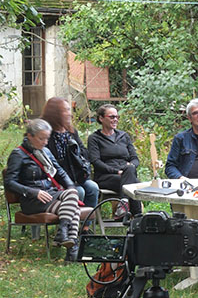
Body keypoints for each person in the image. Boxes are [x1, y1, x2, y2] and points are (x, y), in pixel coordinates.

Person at [5, 119, 83, 260]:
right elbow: (9, 182)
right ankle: (71, 248)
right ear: (30, 136)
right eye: (41, 138)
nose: (45, 142)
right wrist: (33, 192)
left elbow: (60, 172)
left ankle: (63, 233)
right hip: (32, 200)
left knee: (72, 194)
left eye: (47, 138)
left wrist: (71, 187)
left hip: (50, 194)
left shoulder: (45, 151)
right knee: (74, 209)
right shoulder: (18, 154)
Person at [40, 96, 99, 209]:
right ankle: (70, 225)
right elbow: (47, 160)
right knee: (79, 192)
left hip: (76, 176)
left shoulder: (71, 132)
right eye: (66, 110)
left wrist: (76, 151)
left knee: (93, 188)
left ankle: (86, 226)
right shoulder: (47, 134)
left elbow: (84, 152)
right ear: (55, 113)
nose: (69, 114)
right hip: (57, 179)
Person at [87, 105, 142, 215]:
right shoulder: (95, 138)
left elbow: (135, 159)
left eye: (117, 117)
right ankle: (137, 217)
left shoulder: (124, 136)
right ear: (101, 119)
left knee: (130, 171)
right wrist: (116, 171)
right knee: (133, 184)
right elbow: (96, 161)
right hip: (106, 176)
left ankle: (123, 205)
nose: (115, 119)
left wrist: (129, 167)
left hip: (126, 173)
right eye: (112, 117)